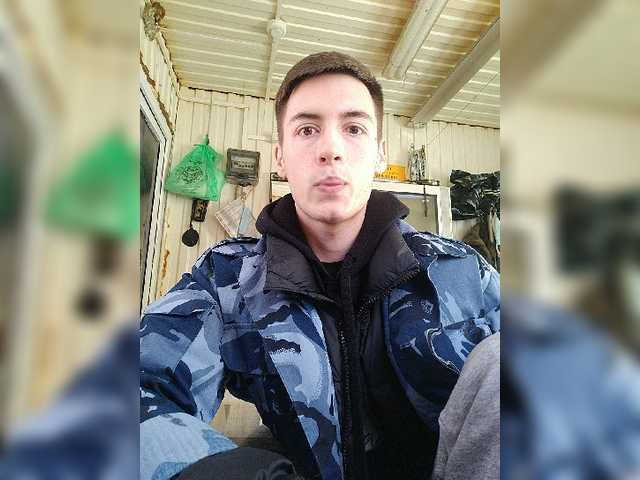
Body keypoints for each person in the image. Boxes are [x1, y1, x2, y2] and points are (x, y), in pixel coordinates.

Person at [140, 51, 500, 480]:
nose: (331, 149)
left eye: (354, 128)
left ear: (379, 154)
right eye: (307, 129)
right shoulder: (226, 281)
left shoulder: (460, 270)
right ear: (280, 157)